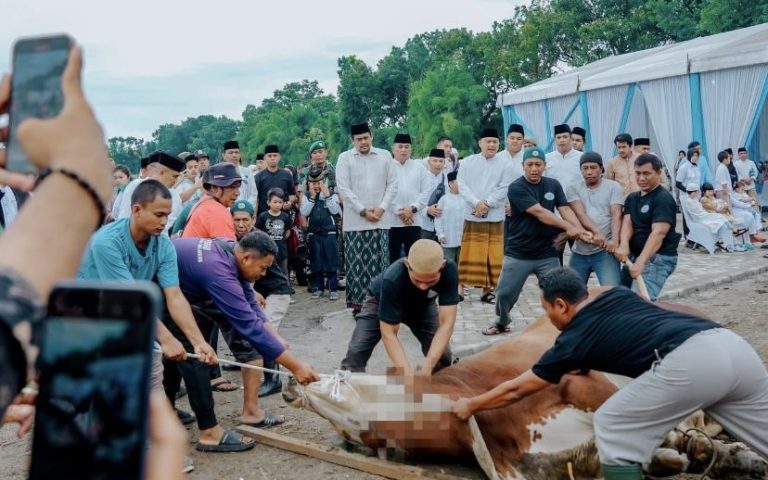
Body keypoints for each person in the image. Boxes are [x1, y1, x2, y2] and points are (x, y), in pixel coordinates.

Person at [452, 267, 768, 480]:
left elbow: (517, 390)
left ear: (560, 305)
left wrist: (471, 405)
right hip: (732, 348)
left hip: (691, 363)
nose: (547, 316)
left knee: (613, 424)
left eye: (546, 309)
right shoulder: (617, 295)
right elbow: (617, 337)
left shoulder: (572, 341)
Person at [169, 233, 320, 439]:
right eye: (263, 268)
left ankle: (169, 411)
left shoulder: (233, 252)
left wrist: (274, 336)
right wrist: (295, 367)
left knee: (182, 351)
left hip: (185, 290)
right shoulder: (219, 271)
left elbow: (250, 302)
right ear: (247, 258)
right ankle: (209, 432)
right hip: (163, 293)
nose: (264, 274)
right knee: (194, 354)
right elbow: (249, 326)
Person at [485, 147, 589, 336]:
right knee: (504, 293)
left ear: (544, 166)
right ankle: (501, 322)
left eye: (538, 164)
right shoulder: (516, 187)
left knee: (558, 291)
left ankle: (567, 325)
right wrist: (569, 227)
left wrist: (579, 229)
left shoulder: (553, 185)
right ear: (523, 166)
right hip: (518, 252)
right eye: (530, 165)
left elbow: (565, 209)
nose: (534, 168)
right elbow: (539, 212)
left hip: (547, 253)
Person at [341, 239, 459, 374]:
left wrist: (428, 366)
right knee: (355, 354)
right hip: (379, 302)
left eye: (431, 281)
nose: (423, 286)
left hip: (421, 306)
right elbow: (389, 333)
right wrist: (406, 372)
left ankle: (433, 389)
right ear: (407, 264)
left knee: (442, 356)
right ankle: (346, 387)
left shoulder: (449, 271)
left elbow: (446, 325)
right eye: (418, 280)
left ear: (442, 266)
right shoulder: (393, 278)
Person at [230, 200, 294, 396]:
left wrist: (252, 291)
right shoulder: (236, 239)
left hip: (278, 293)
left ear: (253, 219)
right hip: (261, 294)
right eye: (236, 219)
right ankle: (247, 362)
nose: (240, 224)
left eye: (245, 219)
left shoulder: (258, 240)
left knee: (266, 334)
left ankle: (273, 379)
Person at [335, 122, 398, 314]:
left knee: (381, 266)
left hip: (381, 220)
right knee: (357, 267)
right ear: (352, 140)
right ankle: (359, 307)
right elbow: (343, 188)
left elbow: (393, 185)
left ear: (372, 136)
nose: (363, 142)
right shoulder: (345, 158)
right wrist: (363, 210)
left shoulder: (385, 156)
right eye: (359, 139)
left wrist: (381, 208)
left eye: (366, 138)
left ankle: (380, 305)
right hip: (355, 223)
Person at [457, 128, 516, 304]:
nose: (491, 145)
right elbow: (462, 185)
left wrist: (487, 203)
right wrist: (477, 203)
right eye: (488, 141)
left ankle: (488, 291)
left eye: (495, 142)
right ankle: (460, 288)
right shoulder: (467, 162)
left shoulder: (506, 164)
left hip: (494, 215)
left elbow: (505, 187)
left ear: (499, 144)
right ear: (480, 143)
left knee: (493, 255)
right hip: (472, 214)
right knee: (468, 253)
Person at [615, 154, 682, 301]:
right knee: (620, 300)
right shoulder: (632, 198)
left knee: (639, 303)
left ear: (659, 173)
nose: (641, 178)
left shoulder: (663, 199)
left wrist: (641, 262)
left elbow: (658, 233)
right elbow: (627, 222)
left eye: (646, 173)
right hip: (635, 256)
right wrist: (624, 245)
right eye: (638, 173)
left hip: (657, 259)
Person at [566, 152, 624, 285]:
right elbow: (580, 214)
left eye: (593, 167)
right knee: (571, 292)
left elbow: (616, 215)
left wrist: (614, 241)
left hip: (605, 251)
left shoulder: (613, 187)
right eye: (585, 168)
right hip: (580, 251)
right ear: (580, 170)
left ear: (601, 169)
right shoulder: (573, 188)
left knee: (612, 291)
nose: (589, 172)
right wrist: (597, 233)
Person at [112, 151, 185, 233]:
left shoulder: (174, 196)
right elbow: (124, 218)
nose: (176, 181)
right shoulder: (136, 186)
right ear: (161, 172)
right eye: (174, 176)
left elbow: (165, 228)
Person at [300, 166, 342, 301]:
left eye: (319, 183)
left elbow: (335, 211)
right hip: (313, 234)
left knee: (331, 261)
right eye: (313, 183)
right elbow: (304, 212)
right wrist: (312, 198)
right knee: (316, 262)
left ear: (324, 182)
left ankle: (333, 288)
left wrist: (327, 196)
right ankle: (319, 288)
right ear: (309, 184)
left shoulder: (332, 195)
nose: (316, 186)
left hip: (329, 232)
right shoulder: (306, 197)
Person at [388, 133, 429, 263]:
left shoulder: (420, 168)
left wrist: (413, 209)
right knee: (392, 258)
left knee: (414, 259)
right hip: (392, 221)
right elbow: (383, 192)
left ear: (411, 149)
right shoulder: (387, 167)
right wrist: (400, 211)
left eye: (407, 147)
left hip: (414, 221)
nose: (404, 150)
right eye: (400, 147)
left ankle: (412, 284)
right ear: (393, 149)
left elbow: (426, 191)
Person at [178, 162, 241, 240]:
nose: (238, 193)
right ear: (214, 188)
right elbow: (229, 250)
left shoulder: (205, 201)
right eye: (232, 187)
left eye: (238, 187)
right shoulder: (216, 211)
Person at [682, 183, 736, 252]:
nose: (698, 193)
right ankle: (731, 232)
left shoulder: (694, 200)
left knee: (719, 218)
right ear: (693, 192)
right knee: (718, 217)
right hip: (700, 218)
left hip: (703, 215)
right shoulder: (690, 201)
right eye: (696, 192)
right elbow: (697, 213)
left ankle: (726, 240)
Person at [256, 187, 292, 276]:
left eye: (280, 202)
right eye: (275, 202)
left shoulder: (285, 216)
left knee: (283, 272)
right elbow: (258, 230)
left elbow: (288, 232)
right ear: (268, 202)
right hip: (266, 251)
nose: (277, 205)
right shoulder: (263, 216)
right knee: (266, 271)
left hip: (281, 251)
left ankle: (285, 288)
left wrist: (281, 238)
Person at [254, 144, 296, 216]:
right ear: (265, 158)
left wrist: (289, 202)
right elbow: (256, 199)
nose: (272, 158)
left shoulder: (287, 175)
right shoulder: (258, 177)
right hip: (264, 216)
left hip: (283, 216)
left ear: (279, 157)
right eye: (269, 156)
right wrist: (254, 216)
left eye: (275, 155)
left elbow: (292, 194)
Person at [434, 171, 464, 264]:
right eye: (459, 181)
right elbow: (437, 218)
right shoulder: (444, 199)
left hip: (464, 240)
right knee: (447, 265)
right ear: (451, 183)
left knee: (462, 265)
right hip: (448, 239)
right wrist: (440, 234)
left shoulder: (466, 198)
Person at [545, 124, 582, 194]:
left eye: (565, 137)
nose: (562, 140)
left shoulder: (581, 157)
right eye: (558, 137)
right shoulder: (547, 158)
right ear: (555, 140)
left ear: (571, 138)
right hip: (554, 201)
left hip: (578, 200)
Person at [420, 148, 448, 241]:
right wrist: (427, 210)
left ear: (444, 163)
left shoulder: (448, 180)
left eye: (441, 161)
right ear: (429, 162)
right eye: (435, 161)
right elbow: (414, 200)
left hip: (442, 227)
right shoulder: (421, 178)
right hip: (424, 225)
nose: (438, 164)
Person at [675, 147, 702, 243]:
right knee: (687, 217)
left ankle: (696, 237)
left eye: (696, 155)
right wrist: (689, 192)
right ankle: (688, 237)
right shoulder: (684, 167)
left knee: (695, 216)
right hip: (686, 196)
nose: (694, 157)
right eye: (693, 155)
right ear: (689, 155)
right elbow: (678, 183)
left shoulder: (697, 167)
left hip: (696, 196)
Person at [221, 140, 258, 207]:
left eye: (236, 152)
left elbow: (253, 194)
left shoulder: (247, 172)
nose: (234, 155)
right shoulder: (219, 173)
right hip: (226, 211)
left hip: (245, 211)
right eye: (231, 153)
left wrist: (245, 208)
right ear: (224, 155)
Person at [732, 181, 766, 246]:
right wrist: (749, 201)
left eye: (743, 189)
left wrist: (751, 201)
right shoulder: (735, 195)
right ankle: (752, 235)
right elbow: (742, 201)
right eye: (741, 189)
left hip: (746, 208)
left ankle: (757, 233)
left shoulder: (743, 194)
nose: (743, 191)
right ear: (736, 189)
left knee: (757, 215)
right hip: (738, 210)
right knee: (750, 216)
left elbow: (751, 200)